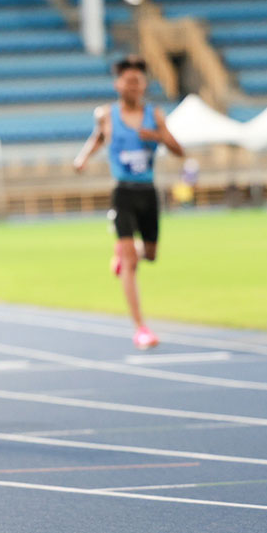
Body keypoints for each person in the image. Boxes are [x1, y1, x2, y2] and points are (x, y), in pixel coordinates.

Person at [74, 55, 184, 349]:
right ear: (118, 84)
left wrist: (158, 136)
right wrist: (83, 157)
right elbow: (98, 137)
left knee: (149, 254)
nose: (133, 85)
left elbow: (179, 150)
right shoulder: (106, 115)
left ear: (144, 85)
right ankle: (140, 328)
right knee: (131, 262)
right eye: (128, 80)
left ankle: (126, 253)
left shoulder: (155, 115)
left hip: (148, 192)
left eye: (138, 81)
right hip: (122, 192)